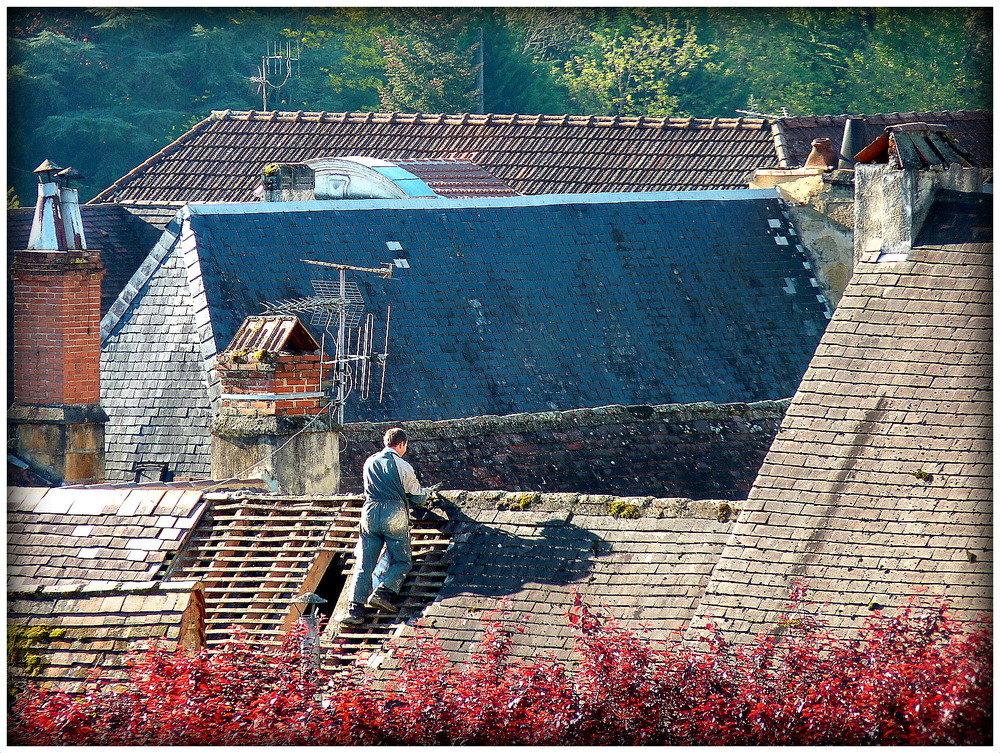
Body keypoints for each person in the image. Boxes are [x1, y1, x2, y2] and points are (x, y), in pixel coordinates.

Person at [341, 427, 429, 626]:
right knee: (402, 560)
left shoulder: (369, 461)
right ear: (402, 444)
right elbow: (418, 496)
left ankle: (355, 610)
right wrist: (427, 494)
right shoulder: (402, 465)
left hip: (369, 513)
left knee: (365, 564)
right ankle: (383, 592)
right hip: (393, 513)